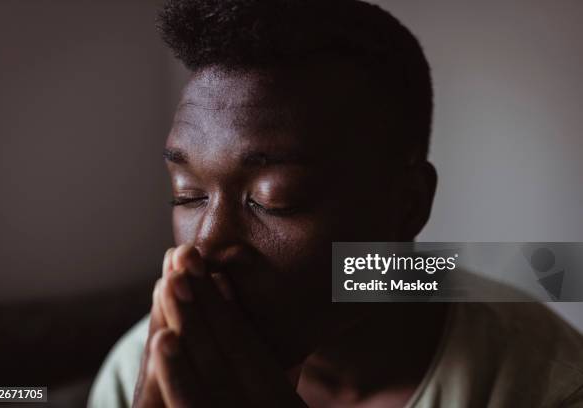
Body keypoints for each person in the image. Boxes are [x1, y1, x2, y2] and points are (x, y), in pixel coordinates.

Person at [88, 0, 583, 406]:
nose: (207, 244)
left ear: (407, 206)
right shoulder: (140, 370)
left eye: (274, 200)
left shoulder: (547, 382)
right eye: (188, 195)